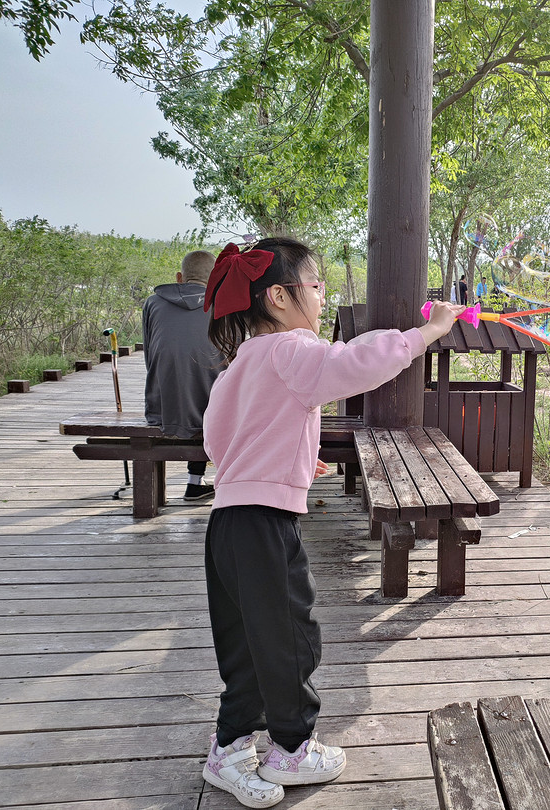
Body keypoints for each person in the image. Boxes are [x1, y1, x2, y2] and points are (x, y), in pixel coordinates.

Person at [199, 236, 463, 808]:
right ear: (279, 297)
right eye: (316, 285)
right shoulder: (294, 348)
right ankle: (292, 749)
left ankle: (230, 747)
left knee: (244, 641)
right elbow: (355, 364)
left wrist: (289, 460)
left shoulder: (238, 365)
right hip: (265, 526)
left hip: (227, 524)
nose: (322, 296)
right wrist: (427, 334)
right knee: (291, 637)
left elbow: (221, 441)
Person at [141, 250, 222, 500]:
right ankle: (196, 482)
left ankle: (194, 483)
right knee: (216, 396)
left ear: (179, 277)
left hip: (163, 409)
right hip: (213, 409)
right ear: (215, 280)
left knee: (188, 388)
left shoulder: (152, 303)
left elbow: (149, 356)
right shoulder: (224, 306)